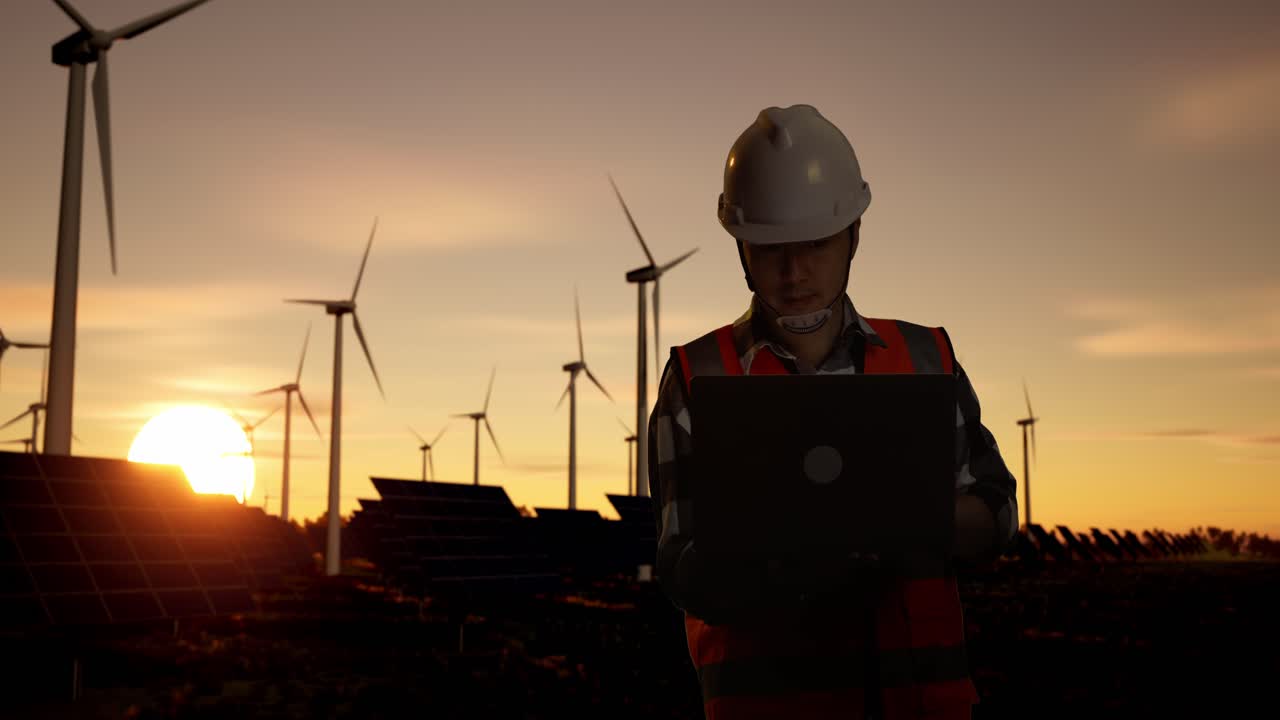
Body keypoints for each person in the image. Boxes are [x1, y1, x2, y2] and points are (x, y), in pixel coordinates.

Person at [648, 104, 1020, 720]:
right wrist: (778, 549)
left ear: (854, 235)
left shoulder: (927, 358)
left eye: (816, 244)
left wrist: (902, 521)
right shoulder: (697, 377)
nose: (795, 273)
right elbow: (679, 564)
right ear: (740, 248)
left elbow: (998, 512)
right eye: (770, 250)